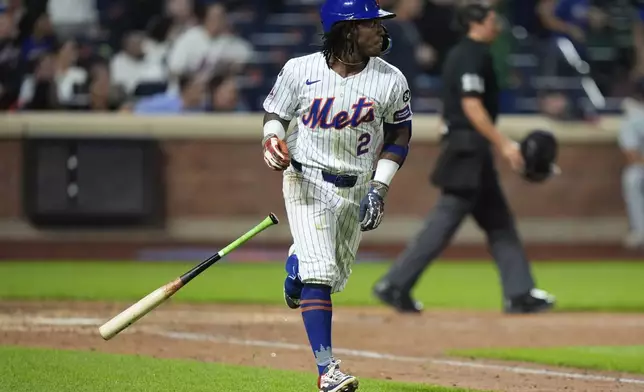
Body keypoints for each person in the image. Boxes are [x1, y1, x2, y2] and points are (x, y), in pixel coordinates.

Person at [261, 0, 412, 390]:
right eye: (371, 24)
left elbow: (399, 135)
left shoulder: (391, 79)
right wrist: (272, 139)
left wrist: (380, 186)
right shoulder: (300, 70)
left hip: (358, 186)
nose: (380, 30)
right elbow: (275, 112)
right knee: (322, 275)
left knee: (332, 274)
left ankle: (295, 273)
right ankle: (327, 370)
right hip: (306, 180)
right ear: (347, 31)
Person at [372, 3, 556, 315]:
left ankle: (520, 291)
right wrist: (505, 145)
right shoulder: (472, 55)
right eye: (491, 18)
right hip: (468, 152)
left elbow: (451, 105)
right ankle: (395, 283)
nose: (497, 22)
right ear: (477, 23)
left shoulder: (461, 53)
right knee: (444, 222)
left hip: (468, 150)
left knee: (499, 224)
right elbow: (471, 105)